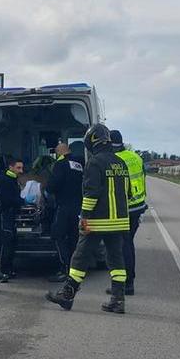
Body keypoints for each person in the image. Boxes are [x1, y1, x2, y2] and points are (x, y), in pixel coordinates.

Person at [46, 124, 130, 313]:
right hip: (120, 222)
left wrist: (83, 217)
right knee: (116, 261)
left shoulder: (94, 162)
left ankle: (67, 295)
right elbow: (128, 192)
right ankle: (118, 300)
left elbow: (91, 194)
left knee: (80, 257)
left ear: (91, 141)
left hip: (97, 221)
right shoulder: (120, 163)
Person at [108, 130, 147, 296]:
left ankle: (125, 284)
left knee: (121, 247)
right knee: (128, 244)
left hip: (124, 208)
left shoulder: (115, 160)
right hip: (138, 206)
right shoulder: (136, 157)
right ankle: (127, 282)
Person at [45, 142, 84, 282]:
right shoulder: (80, 163)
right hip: (79, 207)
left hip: (64, 207)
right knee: (74, 238)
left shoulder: (60, 165)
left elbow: (52, 186)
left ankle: (64, 268)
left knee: (58, 235)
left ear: (59, 152)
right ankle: (75, 270)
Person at [0, 158, 23, 281]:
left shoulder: (12, 180)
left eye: (21, 168)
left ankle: (9, 269)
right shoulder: (6, 181)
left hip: (11, 215)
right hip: (5, 215)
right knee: (7, 243)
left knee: (12, 243)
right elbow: (7, 200)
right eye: (18, 168)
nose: (21, 171)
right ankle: (4, 271)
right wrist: (21, 201)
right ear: (11, 167)